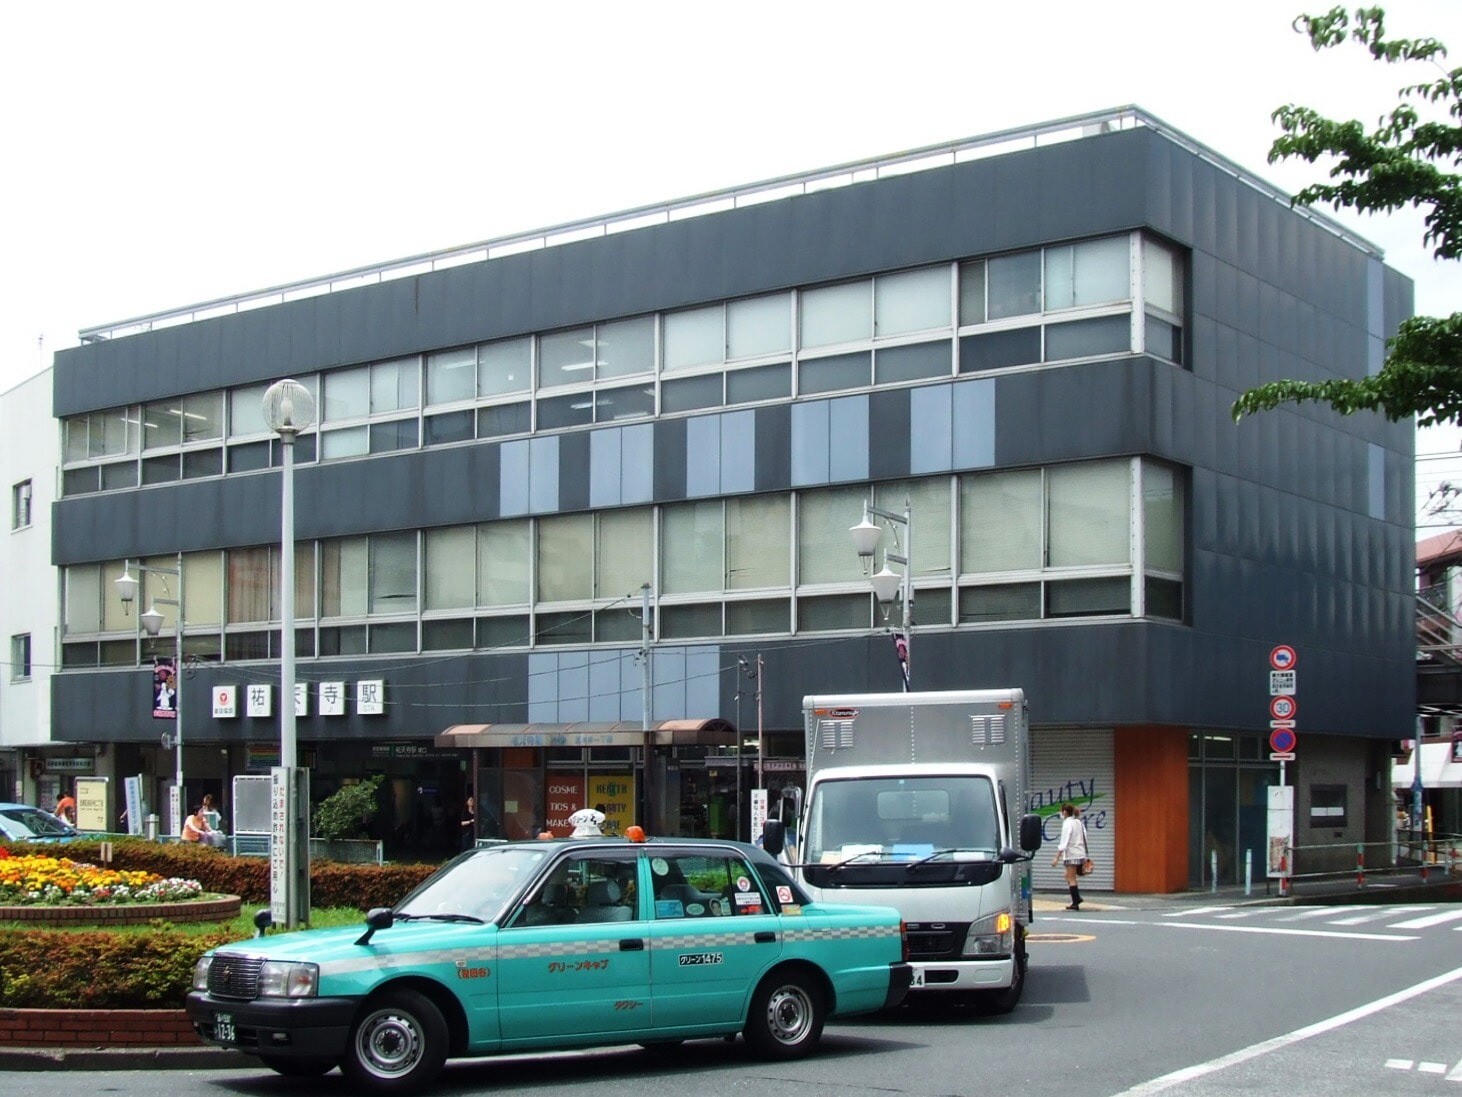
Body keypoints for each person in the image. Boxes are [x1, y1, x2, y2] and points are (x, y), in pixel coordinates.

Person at [1051, 802, 1089, 911]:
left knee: (1071, 878)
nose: (1061, 814)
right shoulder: (1078, 822)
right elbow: (1085, 837)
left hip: (1071, 854)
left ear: (1065, 812)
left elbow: (1064, 841)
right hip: (1080, 853)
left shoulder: (1067, 824)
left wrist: (1056, 857)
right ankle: (1076, 898)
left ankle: (1075, 901)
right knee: (1067, 876)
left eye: (1061, 811)